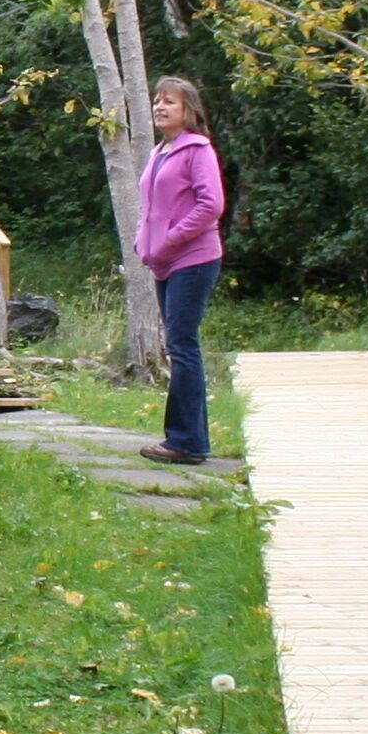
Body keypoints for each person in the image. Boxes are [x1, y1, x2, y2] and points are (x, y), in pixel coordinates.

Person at [134, 77, 226, 465]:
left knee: (182, 346)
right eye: (157, 100)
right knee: (179, 346)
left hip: (194, 259)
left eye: (169, 101)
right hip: (163, 262)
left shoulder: (197, 149)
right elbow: (151, 206)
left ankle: (186, 443)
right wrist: (144, 242)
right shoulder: (160, 151)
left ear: (188, 109)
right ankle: (187, 439)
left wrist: (171, 238)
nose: (160, 106)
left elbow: (211, 205)